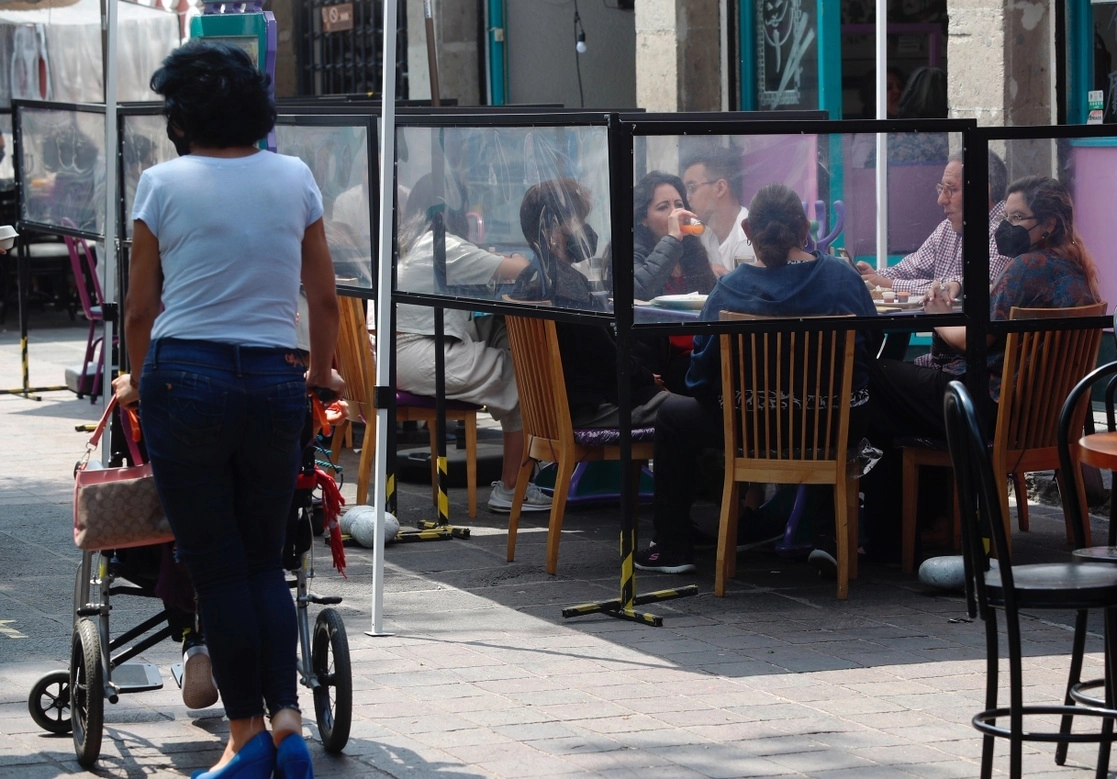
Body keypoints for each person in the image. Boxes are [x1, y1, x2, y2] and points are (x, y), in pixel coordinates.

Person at [112, 40, 343, 779]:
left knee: (216, 571)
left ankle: (246, 737)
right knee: (265, 565)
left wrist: (137, 381)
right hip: (276, 385)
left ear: (181, 117)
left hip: (188, 379)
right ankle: (287, 723)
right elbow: (325, 296)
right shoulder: (295, 177)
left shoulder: (162, 183)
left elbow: (142, 308)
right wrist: (320, 370)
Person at [634, 183, 878, 574]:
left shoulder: (731, 289)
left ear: (748, 231)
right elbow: (871, 347)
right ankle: (831, 536)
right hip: (833, 426)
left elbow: (699, 378)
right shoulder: (842, 278)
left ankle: (672, 546)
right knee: (865, 403)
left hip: (749, 428)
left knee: (671, 417)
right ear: (804, 228)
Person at [864, 176, 1102, 562]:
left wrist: (937, 316)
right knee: (894, 398)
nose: (1006, 227)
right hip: (1037, 416)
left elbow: (975, 341)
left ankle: (889, 531)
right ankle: (926, 519)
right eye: (1005, 216)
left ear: (1050, 224)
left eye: (1018, 217)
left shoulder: (1026, 268)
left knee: (872, 379)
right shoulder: (1074, 269)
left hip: (989, 407)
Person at [389, 173, 552, 514]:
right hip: (418, 352)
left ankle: (521, 469)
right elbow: (520, 271)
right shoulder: (443, 245)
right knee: (522, 376)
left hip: (403, 349)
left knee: (499, 330)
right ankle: (512, 488)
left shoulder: (408, 241)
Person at [514, 177, 667, 428]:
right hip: (594, 411)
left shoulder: (530, 278)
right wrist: (647, 377)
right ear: (552, 229)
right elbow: (606, 358)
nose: (585, 230)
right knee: (686, 415)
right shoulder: (566, 286)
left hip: (554, 413)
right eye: (579, 221)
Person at [856, 151, 1011, 297]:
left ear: (981, 191)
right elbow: (911, 269)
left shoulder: (1006, 229)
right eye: (941, 189)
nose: (941, 200)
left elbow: (979, 285)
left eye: (951, 189)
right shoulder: (947, 228)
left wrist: (887, 283)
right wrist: (873, 276)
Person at [632, 170, 717, 392]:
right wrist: (671, 238)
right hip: (664, 362)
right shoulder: (631, 250)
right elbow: (639, 289)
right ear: (643, 218)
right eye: (663, 207)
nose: (675, 213)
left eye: (679, 204)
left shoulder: (692, 252)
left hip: (699, 350)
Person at [680, 144, 757, 276]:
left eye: (692, 188)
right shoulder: (703, 231)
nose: (687, 198)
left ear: (720, 188)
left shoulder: (746, 239)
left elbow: (746, 293)